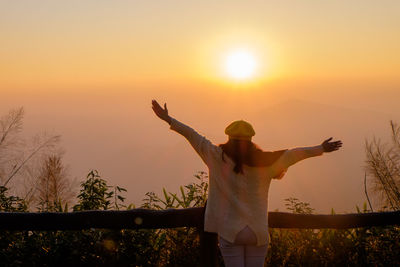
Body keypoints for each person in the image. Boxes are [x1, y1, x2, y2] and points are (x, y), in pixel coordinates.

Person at [151, 100, 342, 267]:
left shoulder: (216, 156)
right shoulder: (266, 162)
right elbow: (293, 154)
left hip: (230, 231)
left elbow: (192, 135)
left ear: (229, 138)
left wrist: (169, 119)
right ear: (251, 139)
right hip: (257, 231)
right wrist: (321, 148)